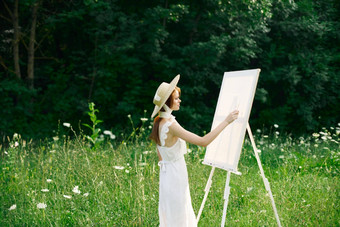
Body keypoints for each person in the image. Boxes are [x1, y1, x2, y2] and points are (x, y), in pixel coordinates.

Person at [150, 75, 239, 227]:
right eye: (176, 98)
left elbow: (161, 156)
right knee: (179, 217)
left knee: (172, 216)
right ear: (167, 103)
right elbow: (203, 142)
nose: (179, 101)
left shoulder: (158, 122)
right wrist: (226, 121)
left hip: (166, 176)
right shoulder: (170, 124)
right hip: (175, 175)